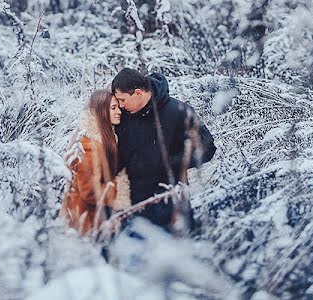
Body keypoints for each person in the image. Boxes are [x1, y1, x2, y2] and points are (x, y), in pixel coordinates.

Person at [112, 68, 216, 230]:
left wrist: (171, 164)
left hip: (172, 206)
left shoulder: (179, 112)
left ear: (138, 93)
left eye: (122, 100)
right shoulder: (124, 117)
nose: (120, 105)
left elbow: (208, 148)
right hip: (133, 209)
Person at [61, 89, 131, 235]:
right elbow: (89, 191)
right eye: (113, 108)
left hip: (94, 219)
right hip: (84, 223)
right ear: (100, 111)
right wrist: (120, 189)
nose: (119, 112)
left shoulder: (103, 138)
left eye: (118, 107)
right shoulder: (89, 144)